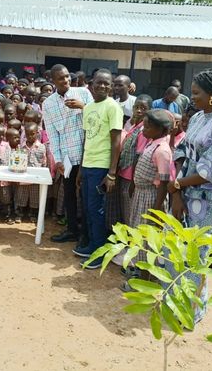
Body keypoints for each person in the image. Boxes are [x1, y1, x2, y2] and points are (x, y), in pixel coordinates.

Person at [167, 69, 212, 323]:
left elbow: (211, 170)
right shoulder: (197, 118)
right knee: (175, 248)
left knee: (196, 255)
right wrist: (176, 191)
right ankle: (172, 300)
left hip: (207, 201)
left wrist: (177, 184)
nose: (191, 97)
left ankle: (190, 311)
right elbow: (181, 152)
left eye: (196, 93)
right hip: (183, 193)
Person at [74, 69, 123, 269]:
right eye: (99, 83)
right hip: (87, 166)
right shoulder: (89, 108)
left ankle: (98, 252)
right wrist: (80, 169)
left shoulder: (113, 107)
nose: (102, 86)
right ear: (91, 84)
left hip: (102, 167)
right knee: (87, 208)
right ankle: (92, 245)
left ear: (111, 86)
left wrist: (111, 173)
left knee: (96, 211)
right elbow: (87, 139)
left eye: (106, 83)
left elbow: (117, 142)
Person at [42, 64, 93, 245]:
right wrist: (57, 160)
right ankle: (72, 230)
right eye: (61, 78)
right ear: (52, 81)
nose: (65, 80)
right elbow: (52, 134)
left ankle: (86, 234)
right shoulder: (48, 103)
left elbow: (96, 119)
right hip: (67, 157)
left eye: (67, 77)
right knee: (69, 195)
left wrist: (84, 107)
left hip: (87, 154)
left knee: (86, 196)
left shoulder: (84, 94)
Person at [127, 109, 174, 278]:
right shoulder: (151, 142)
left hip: (151, 197)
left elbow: (163, 182)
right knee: (138, 231)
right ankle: (139, 269)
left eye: (148, 127)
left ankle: (145, 276)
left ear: (161, 130)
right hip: (141, 194)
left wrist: (156, 208)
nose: (143, 130)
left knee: (147, 237)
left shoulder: (162, 150)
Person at [108, 94, 152, 230]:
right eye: (137, 107)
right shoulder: (133, 126)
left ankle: (130, 245)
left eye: (143, 108)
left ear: (149, 110)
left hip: (130, 178)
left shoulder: (144, 130)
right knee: (123, 211)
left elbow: (138, 156)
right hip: (123, 173)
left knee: (129, 212)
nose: (139, 111)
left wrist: (133, 181)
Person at [16, 122, 47, 222]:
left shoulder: (42, 147)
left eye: (32, 134)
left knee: (34, 197)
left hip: (36, 178)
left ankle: (32, 213)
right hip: (23, 177)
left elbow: (44, 162)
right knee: (22, 196)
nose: (29, 136)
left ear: (37, 133)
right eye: (27, 134)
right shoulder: (21, 147)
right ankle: (20, 213)